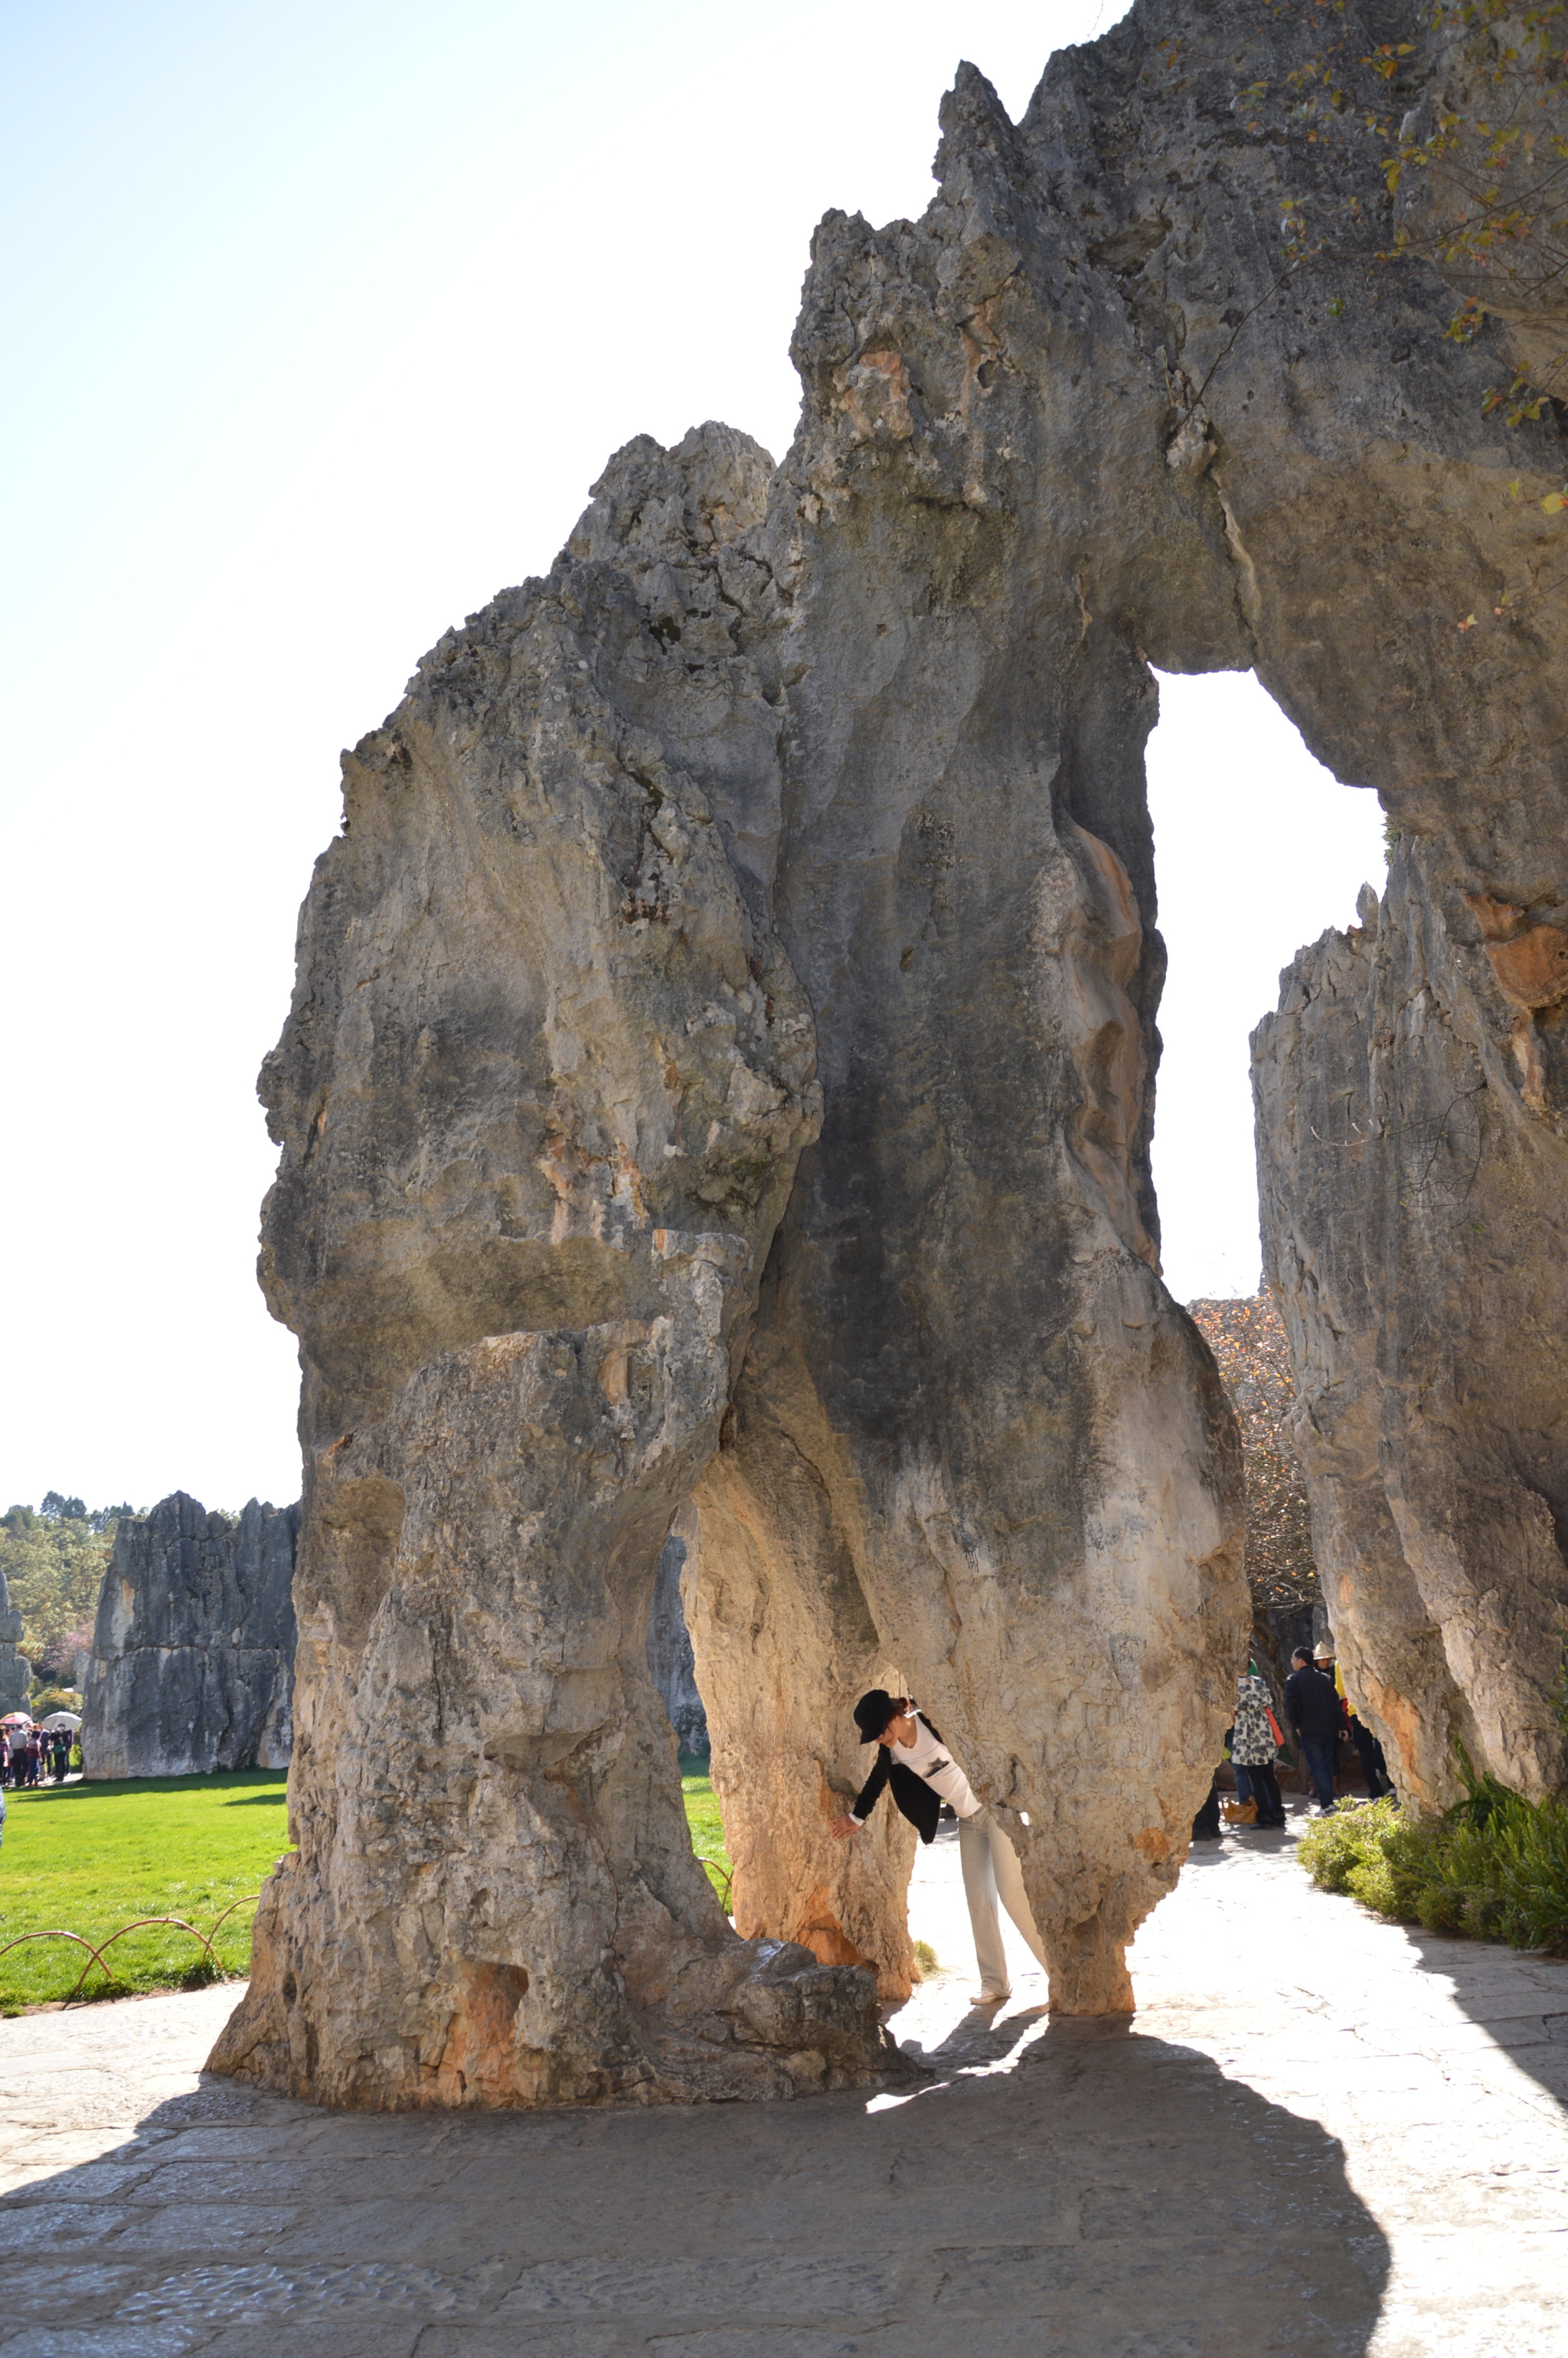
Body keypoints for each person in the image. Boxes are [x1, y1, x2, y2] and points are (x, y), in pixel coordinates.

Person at [831, 1690, 1048, 2006]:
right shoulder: (892, 1754)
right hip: (967, 1820)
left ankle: (1059, 1974)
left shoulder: (931, 1722)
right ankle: (995, 1983)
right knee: (978, 1899)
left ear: (894, 1717)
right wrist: (856, 1818)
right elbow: (875, 1783)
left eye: (880, 1732)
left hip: (996, 1811)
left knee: (1011, 1893)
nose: (879, 1739)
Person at [1315, 1642, 1394, 1800]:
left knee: (1365, 1752)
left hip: (1357, 1710)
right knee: (1385, 1746)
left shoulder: (1340, 1663)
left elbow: (1342, 1691)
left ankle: (1376, 1791)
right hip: (1379, 1709)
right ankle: (1392, 1784)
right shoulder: (1373, 1652)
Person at [1285, 1647, 1343, 1813]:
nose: (1292, 1662)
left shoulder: (1293, 1680)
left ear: (1301, 1661)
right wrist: (1341, 1726)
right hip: (1329, 1729)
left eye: (1293, 1659)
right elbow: (1335, 1704)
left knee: (1318, 1768)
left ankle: (1326, 1804)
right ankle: (1329, 1802)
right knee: (1327, 1765)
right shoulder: (1326, 1679)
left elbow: (1291, 1706)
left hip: (1309, 1730)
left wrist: (1296, 1725)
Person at [1230, 1671, 1286, 1827]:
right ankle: (1278, 1813)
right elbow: (1270, 1702)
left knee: (1255, 1778)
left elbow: (1231, 1709)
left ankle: (1264, 1816)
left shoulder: (1233, 1685)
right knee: (1269, 1775)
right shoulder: (1260, 1682)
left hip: (1246, 1733)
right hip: (1263, 1730)